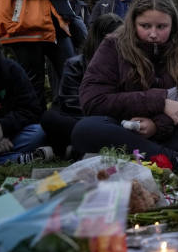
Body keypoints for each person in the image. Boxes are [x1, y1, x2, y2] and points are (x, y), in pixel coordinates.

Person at [73, 0, 178, 172]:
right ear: (133, 22)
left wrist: (159, 124)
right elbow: (93, 100)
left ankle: (145, 156)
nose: (153, 34)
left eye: (162, 27)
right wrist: (159, 103)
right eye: (145, 26)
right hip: (124, 129)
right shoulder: (112, 46)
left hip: (173, 130)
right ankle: (177, 161)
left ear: (173, 24)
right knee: (85, 130)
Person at [40, 14, 123, 158]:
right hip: (86, 120)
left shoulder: (127, 64)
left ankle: (78, 151)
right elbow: (70, 103)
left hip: (117, 122)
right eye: (111, 39)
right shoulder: (76, 64)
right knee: (50, 118)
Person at [0, 45, 52, 164]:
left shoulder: (10, 69)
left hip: (10, 137)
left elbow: (32, 111)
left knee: (38, 132)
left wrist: (2, 127)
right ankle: (15, 159)